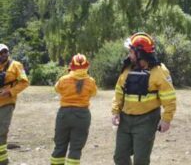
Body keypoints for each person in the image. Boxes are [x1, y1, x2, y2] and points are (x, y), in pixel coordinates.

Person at [111, 32, 176, 165]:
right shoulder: (127, 68)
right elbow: (119, 92)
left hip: (146, 120)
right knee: (120, 157)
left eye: (131, 51)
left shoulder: (159, 71)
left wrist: (166, 119)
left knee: (140, 160)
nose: (129, 54)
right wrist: (116, 111)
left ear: (140, 53)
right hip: (125, 119)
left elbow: (169, 97)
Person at [50, 54, 97, 165]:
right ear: (86, 67)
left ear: (71, 66)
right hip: (82, 115)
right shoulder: (90, 81)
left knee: (60, 146)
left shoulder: (64, 79)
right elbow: (94, 93)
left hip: (64, 114)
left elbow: (57, 89)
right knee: (76, 149)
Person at [0, 43, 29, 165]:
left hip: (7, 103)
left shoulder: (16, 65)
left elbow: (24, 82)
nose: (3, 55)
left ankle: (3, 161)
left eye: (5, 52)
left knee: (1, 130)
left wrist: (10, 91)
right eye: (0, 53)